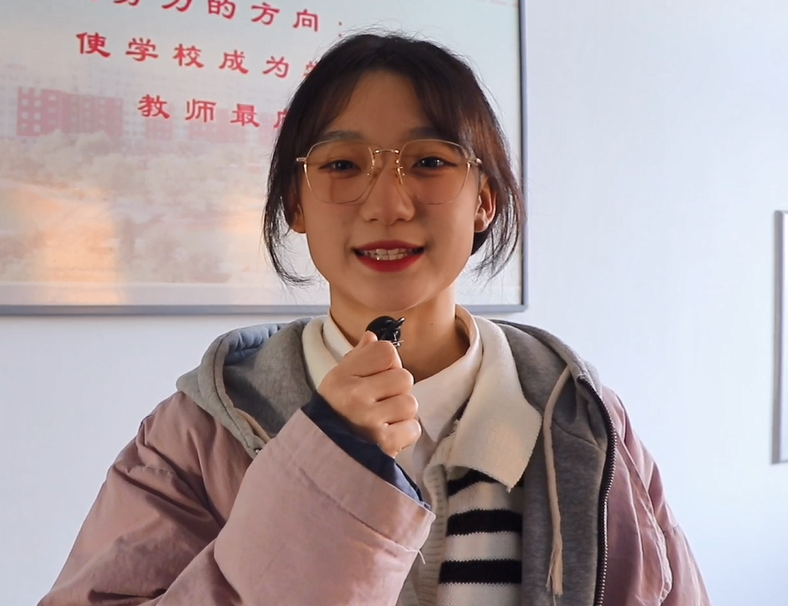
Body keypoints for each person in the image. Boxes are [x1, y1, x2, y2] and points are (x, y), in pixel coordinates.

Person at [39, 33, 711, 606]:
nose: (388, 204)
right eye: (342, 165)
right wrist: (326, 468)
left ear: (484, 199)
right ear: (295, 205)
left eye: (429, 162)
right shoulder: (197, 432)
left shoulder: (585, 421)